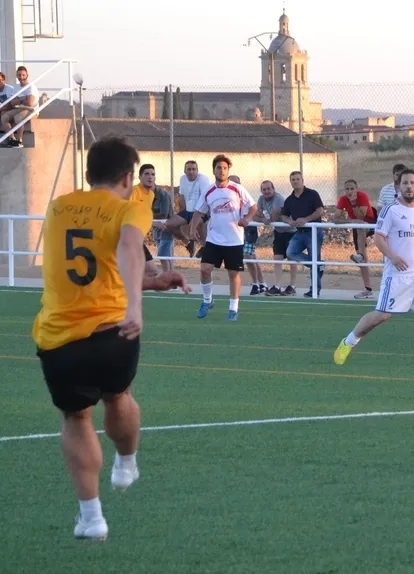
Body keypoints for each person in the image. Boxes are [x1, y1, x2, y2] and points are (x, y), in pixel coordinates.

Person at [32, 136, 189, 540]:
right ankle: (126, 461)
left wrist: (149, 285)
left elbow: (86, 268)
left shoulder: (58, 207)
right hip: (113, 331)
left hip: (60, 339)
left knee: (76, 418)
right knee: (119, 397)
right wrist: (137, 302)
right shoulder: (130, 207)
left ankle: (91, 517)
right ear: (127, 177)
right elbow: (129, 249)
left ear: (88, 174)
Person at [333, 169, 414, 368]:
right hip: (397, 275)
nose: (409, 186)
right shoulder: (391, 210)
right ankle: (349, 342)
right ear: (399, 187)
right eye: (405, 183)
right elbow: (379, 238)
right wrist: (393, 257)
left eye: (412, 183)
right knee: (382, 315)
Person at [190, 155, 256, 321]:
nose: (222, 171)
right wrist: (192, 229)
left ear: (228, 171)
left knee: (233, 274)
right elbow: (198, 212)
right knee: (204, 269)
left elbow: (253, 207)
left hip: (234, 240)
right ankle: (207, 300)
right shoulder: (209, 191)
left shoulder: (237, 189)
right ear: (214, 170)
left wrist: (247, 219)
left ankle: (233, 309)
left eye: (225, 168)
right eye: (219, 168)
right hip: (214, 239)